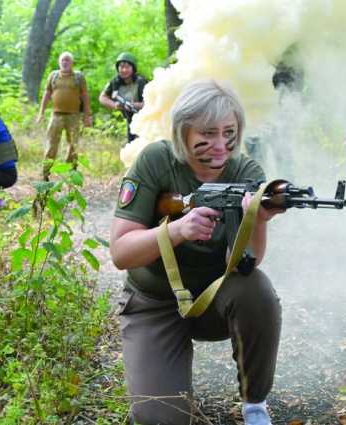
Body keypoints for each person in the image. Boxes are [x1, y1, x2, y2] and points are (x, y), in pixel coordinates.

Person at [109, 80, 283, 425]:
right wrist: (176, 230)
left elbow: (249, 261)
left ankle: (254, 405)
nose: (221, 145)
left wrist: (257, 220)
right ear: (183, 132)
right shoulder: (156, 161)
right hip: (154, 303)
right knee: (160, 418)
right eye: (208, 133)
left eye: (229, 132)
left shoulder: (246, 172)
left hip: (213, 298)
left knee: (257, 290)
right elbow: (120, 253)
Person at [36, 51, 92, 180]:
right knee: (51, 144)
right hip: (56, 116)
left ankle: (71, 172)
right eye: (63, 60)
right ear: (59, 62)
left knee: (73, 144)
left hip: (74, 116)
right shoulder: (53, 76)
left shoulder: (78, 77)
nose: (65, 63)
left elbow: (85, 96)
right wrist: (41, 112)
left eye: (68, 60)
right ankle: (45, 173)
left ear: (72, 63)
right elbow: (47, 94)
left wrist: (87, 115)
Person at [99, 52, 148, 143]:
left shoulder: (141, 82)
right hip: (129, 117)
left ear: (133, 68)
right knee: (131, 142)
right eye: (121, 67)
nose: (124, 70)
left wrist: (136, 105)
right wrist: (114, 105)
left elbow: (152, 103)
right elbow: (102, 97)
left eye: (127, 67)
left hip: (144, 117)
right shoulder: (115, 82)